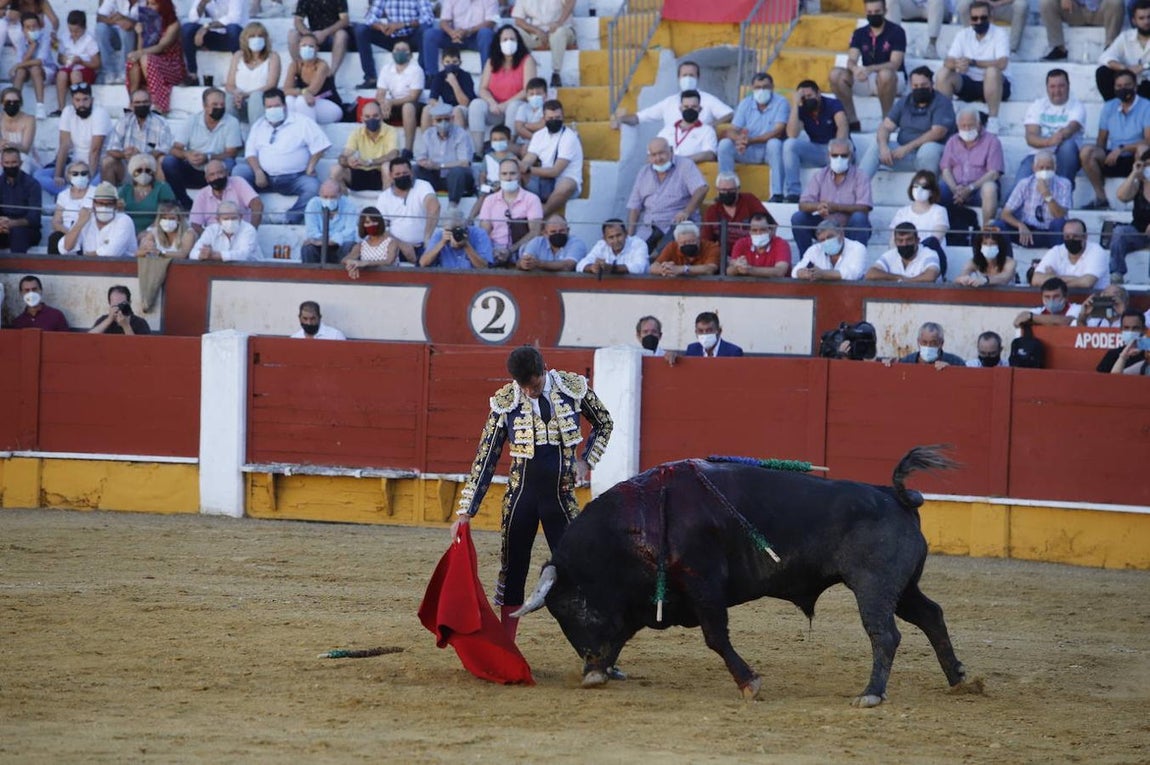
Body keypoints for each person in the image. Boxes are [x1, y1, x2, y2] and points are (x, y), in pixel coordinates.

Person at [450, 345, 613, 645]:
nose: (529, 391)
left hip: (561, 498)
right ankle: (507, 647)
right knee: (512, 571)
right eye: (523, 386)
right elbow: (485, 456)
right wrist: (466, 510)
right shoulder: (506, 402)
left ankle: (595, 649)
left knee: (577, 570)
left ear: (544, 369)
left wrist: (586, 459)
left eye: (534, 385)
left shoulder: (572, 388)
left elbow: (604, 422)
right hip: (520, 499)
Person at [235, 89, 331, 224]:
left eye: (276, 106)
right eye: (269, 107)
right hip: (265, 177)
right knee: (239, 172)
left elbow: (321, 145)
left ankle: (290, 218)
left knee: (313, 187)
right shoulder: (259, 125)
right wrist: (257, 171)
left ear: (284, 105)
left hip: (294, 178)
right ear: (264, 108)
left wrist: (310, 166)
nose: (273, 109)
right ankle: (245, 216)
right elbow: (250, 153)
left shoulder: (302, 122)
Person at [859, 65, 953, 180]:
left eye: (924, 85)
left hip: (933, 156)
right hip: (906, 155)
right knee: (877, 146)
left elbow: (938, 132)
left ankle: (929, 191)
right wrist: (883, 147)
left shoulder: (942, 102)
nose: (919, 88)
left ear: (931, 84)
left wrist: (907, 148)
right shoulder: (905, 102)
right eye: (916, 86)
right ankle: (858, 189)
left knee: (928, 149)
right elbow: (885, 126)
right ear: (911, 86)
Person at [935, 0, 1012, 135]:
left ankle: (993, 120)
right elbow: (948, 61)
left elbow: (1002, 63)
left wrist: (973, 62)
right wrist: (958, 64)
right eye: (975, 18)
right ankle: (945, 119)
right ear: (970, 19)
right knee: (943, 74)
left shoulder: (1000, 33)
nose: (979, 21)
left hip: (997, 85)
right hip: (970, 82)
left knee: (992, 71)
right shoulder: (963, 34)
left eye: (983, 18)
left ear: (990, 17)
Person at [828, 0, 907, 132]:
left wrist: (869, 69)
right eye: (869, 12)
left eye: (877, 12)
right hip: (868, 78)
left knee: (885, 74)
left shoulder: (897, 31)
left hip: (894, 78)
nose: (873, 15)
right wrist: (855, 69)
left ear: (885, 11)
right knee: (835, 74)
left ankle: (887, 120)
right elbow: (851, 59)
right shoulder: (860, 33)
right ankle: (852, 120)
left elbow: (895, 63)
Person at [1080, 69, 1150, 210]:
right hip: (1113, 156)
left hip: (1135, 157)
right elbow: (1101, 141)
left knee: (1143, 150)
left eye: (1127, 85)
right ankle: (1101, 197)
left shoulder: (1147, 106)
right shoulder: (1109, 107)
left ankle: (1139, 196)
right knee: (1087, 151)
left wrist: (1122, 148)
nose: (1122, 89)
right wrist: (1100, 156)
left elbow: (1148, 141)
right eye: (1118, 86)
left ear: (1135, 86)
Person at [162, 88, 244, 208]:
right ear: (205, 106)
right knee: (169, 161)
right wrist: (187, 155)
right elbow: (175, 149)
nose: (219, 107)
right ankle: (184, 202)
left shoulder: (232, 122)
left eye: (222, 104)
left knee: (230, 163)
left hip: (216, 171)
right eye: (214, 104)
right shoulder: (192, 120)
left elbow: (231, 153)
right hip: (192, 168)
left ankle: (224, 203)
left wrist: (209, 157)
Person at [626, 137, 708, 255]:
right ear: (649, 157)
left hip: (677, 224)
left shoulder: (685, 165)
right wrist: (629, 237)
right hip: (649, 227)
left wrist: (686, 212)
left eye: (661, 153)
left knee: (663, 254)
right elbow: (634, 206)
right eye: (654, 155)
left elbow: (702, 189)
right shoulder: (644, 172)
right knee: (632, 254)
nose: (658, 158)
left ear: (671, 150)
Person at [791, 138, 872, 255]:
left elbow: (865, 207)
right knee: (798, 218)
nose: (839, 159)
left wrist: (836, 207)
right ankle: (806, 260)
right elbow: (803, 204)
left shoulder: (860, 176)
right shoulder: (820, 175)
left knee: (859, 218)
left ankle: (857, 259)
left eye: (844, 156)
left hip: (849, 226)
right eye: (835, 155)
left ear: (851, 156)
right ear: (829, 155)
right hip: (824, 225)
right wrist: (818, 206)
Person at [716, 71, 789, 202]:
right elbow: (732, 129)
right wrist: (739, 140)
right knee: (724, 145)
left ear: (772, 87)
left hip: (768, 151)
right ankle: (725, 189)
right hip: (747, 149)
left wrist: (751, 140)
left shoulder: (781, 102)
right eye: (758, 87)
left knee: (775, 143)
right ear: (752, 88)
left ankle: (777, 194)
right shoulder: (745, 103)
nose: (761, 90)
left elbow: (778, 131)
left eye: (765, 87)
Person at [469, 25, 536, 155]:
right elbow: (482, 89)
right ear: (498, 43)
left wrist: (506, 104)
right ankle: (478, 151)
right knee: (476, 105)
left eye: (512, 39)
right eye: (505, 40)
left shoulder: (527, 60)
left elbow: (528, 89)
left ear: (518, 41)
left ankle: (508, 148)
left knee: (514, 106)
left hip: (517, 108)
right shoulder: (491, 62)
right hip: (495, 109)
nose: (509, 42)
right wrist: (492, 102)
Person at [612, 59, 733, 130]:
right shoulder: (669, 102)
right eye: (684, 75)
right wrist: (621, 119)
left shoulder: (707, 99)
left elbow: (730, 114)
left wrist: (709, 127)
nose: (688, 78)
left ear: (698, 78)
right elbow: (639, 117)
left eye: (691, 75)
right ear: (678, 78)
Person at [35, 83, 110, 196]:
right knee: (38, 176)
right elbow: (64, 145)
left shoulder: (100, 113)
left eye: (85, 99)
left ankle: (71, 194)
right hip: (74, 166)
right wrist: (58, 176)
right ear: (73, 101)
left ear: (92, 100)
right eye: (77, 100)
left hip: (96, 168)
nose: (82, 104)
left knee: (93, 186)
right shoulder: (68, 111)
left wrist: (87, 179)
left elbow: (95, 151)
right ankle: (72, 194)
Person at [781, 80, 849, 203]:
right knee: (789, 144)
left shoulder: (833, 104)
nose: (807, 99)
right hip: (817, 150)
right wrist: (795, 105)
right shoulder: (802, 109)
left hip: (839, 149)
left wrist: (835, 149)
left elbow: (842, 127)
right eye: (804, 97)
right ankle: (793, 193)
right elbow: (792, 134)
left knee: (841, 151)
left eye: (809, 96)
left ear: (818, 93)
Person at [1016, 68, 1085, 187]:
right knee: (1016, 189)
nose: (1057, 90)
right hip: (1038, 155)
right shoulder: (1037, 105)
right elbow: (1030, 137)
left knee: (1068, 145)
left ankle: (1063, 189)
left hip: (1063, 157)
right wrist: (1048, 142)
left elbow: (1069, 130)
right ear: (1047, 88)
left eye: (1061, 86)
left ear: (1068, 86)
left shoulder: (1077, 106)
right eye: (1052, 86)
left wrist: (1055, 138)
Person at [939, 107, 1003, 231]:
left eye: (971, 126)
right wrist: (955, 189)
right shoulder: (952, 141)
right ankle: (941, 230)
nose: (967, 129)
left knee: (990, 188)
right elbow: (945, 169)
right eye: (963, 126)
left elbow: (994, 173)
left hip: (979, 190)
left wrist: (970, 188)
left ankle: (986, 231)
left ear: (979, 124)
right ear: (957, 126)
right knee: (938, 188)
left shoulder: (992, 141)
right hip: (956, 188)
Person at [994, 150, 1071, 250]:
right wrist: (1020, 225)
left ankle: (1057, 260)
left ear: (1055, 168)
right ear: (1034, 168)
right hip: (1027, 232)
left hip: (1051, 233)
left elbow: (1060, 215)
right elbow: (1005, 214)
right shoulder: (1025, 183)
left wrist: (1046, 195)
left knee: (1059, 223)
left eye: (1048, 168)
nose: (1045, 171)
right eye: (1041, 168)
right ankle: (1006, 262)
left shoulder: (1064, 184)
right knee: (997, 226)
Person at [352, 0, 433, 89]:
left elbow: (428, 18)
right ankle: (370, 78)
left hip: (412, 37)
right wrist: (381, 27)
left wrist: (404, 24)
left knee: (425, 30)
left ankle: (423, 77)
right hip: (391, 36)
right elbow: (370, 17)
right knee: (361, 30)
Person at [520, 99, 582, 216]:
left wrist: (528, 169)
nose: (554, 121)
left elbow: (555, 171)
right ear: (544, 118)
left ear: (563, 117)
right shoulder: (539, 135)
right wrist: (521, 166)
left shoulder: (570, 137)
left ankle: (541, 214)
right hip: (543, 181)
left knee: (567, 185)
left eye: (557, 118)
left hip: (564, 179)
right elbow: (529, 158)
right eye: (550, 118)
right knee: (514, 172)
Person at [101, 88, 172, 187]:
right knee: (107, 161)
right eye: (137, 102)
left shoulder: (161, 122)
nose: (141, 105)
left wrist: (141, 156)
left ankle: (162, 199)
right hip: (128, 168)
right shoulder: (123, 121)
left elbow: (165, 149)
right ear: (131, 105)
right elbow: (111, 149)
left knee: (162, 160)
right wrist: (124, 154)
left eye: (145, 102)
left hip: (150, 170)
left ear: (150, 103)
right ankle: (109, 198)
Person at [476, 157, 541, 265]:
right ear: (499, 176)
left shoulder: (532, 199)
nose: (508, 178)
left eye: (512, 173)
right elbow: (484, 232)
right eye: (504, 174)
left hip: (521, 249)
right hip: (495, 249)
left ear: (519, 175)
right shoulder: (489, 200)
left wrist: (510, 251)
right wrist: (494, 251)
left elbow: (535, 232)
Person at [374, 156, 440, 262]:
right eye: (398, 174)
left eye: (405, 173)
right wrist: (401, 244)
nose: (402, 176)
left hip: (425, 246)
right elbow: (381, 228)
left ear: (411, 173)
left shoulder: (422, 185)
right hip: (396, 248)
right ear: (391, 176)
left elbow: (434, 206)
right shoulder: (384, 197)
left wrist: (427, 238)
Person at [414, 102, 476, 213]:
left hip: (457, 179)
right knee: (416, 169)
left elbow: (465, 162)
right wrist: (424, 163)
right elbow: (420, 158)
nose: (443, 123)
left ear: (452, 119)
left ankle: (452, 207)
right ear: (433, 122)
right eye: (439, 120)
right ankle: (419, 203)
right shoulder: (428, 135)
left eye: (446, 119)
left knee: (458, 171)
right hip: (435, 176)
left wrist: (440, 166)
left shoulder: (461, 134)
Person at [127, 0, 186, 115]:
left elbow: (161, 47)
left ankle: (158, 104)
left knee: (146, 59)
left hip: (172, 67)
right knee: (132, 61)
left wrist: (140, 53)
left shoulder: (173, 24)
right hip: (151, 64)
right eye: (148, 3)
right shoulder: (146, 22)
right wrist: (140, 34)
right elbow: (140, 50)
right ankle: (133, 100)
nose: (149, 7)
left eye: (153, 4)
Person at [421, 0, 497, 78]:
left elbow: (491, 22)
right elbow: (443, 21)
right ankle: (432, 77)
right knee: (430, 34)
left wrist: (469, 31)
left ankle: (487, 77)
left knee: (486, 33)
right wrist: (452, 33)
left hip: (476, 38)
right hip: (455, 37)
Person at [333, 100, 397, 191]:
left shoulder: (390, 131)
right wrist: (348, 161)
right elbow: (343, 156)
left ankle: (386, 203)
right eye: (367, 116)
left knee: (386, 166)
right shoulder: (357, 132)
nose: (371, 119)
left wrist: (369, 162)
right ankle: (344, 203)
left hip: (380, 174)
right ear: (362, 118)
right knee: (336, 169)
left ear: (382, 116)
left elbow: (393, 154)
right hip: (360, 173)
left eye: (375, 116)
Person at [701, 171, 768, 259]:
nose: (727, 193)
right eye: (723, 190)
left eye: (731, 190)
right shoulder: (712, 211)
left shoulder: (749, 200)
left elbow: (770, 225)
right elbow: (706, 241)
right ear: (717, 190)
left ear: (738, 189)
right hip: (724, 258)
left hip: (751, 254)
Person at [224, 21, 281, 124]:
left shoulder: (273, 57)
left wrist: (247, 95)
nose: (256, 39)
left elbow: (272, 84)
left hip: (261, 103)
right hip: (240, 101)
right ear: (246, 39)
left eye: (260, 36)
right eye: (252, 36)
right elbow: (230, 84)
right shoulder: (238, 56)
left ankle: (256, 134)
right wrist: (237, 94)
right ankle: (231, 134)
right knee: (229, 97)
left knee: (255, 97)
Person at [374, 38, 424, 153]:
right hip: (393, 104)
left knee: (407, 107)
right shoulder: (386, 69)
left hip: (414, 106)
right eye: (397, 49)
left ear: (411, 55)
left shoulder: (416, 70)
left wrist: (390, 102)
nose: (400, 52)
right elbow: (380, 92)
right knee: (373, 108)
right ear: (392, 53)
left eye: (404, 50)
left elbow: (413, 97)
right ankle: (377, 148)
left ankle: (408, 150)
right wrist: (383, 102)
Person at [891, 170, 949, 267]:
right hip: (904, 258)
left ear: (932, 191)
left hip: (931, 260)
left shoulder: (939, 211)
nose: (919, 189)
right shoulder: (902, 212)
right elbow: (893, 240)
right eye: (916, 185)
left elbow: (936, 240)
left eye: (924, 187)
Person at [62, 181, 137, 257]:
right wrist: (79, 223)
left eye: (109, 204)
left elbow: (111, 253)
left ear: (115, 205)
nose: (104, 207)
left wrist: (87, 256)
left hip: (119, 267)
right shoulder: (86, 219)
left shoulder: (124, 220)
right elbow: (66, 248)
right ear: (93, 204)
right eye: (100, 203)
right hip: (90, 266)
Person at [284, 32, 344, 124]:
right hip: (308, 104)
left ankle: (310, 135)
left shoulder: (322, 65)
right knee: (289, 100)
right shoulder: (294, 65)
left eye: (311, 46)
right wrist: (302, 92)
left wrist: (301, 92)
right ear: (299, 48)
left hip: (330, 105)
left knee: (301, 101)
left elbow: (312, 91)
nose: (307, 48)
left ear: (317, 49)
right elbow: (286, 90)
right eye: (304, 45)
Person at [1031, 219, 1110, 289]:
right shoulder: (1057, 251)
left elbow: (1086, 283)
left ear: (1085, 237)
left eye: (1075, 236)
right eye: (1067, 237)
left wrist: (1053, 278)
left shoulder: (1097, 252)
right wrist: (1077, 280)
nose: (1071, 239)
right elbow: (1035, 280)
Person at [180, 0, 245, 84]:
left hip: (237, 37)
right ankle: (193, 75)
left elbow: (233, 19)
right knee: (187, 28)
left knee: (232, 28)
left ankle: (239, 74)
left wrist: (206, 27)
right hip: (216, 34)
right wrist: (202, 3)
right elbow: (193, 18)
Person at [512, 0, 574, 88]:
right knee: (514, 32)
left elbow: (571, 2)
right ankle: (519, 71)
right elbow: (518, 20)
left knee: (559, 33)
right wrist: (536, 31)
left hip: (560, 29)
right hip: (537, 35)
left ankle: (556, 73)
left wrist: (559, 23)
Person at [1109, 148, 1150, 282]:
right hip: (1138, 231)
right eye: (1148, 164)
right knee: (1120, 232)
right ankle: (1117, 273)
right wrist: (1134, 173)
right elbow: (1121, 196)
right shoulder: (1138, 185)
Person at [189, 158, 263, 230]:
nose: (216, 177)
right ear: (207, 178)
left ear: (227, 173)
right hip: (214, 237)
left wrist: (252, 229)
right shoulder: (202, 195)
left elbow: (257, 204)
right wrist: (207, 238)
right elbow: (195, 223)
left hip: (240, 233)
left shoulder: (238, 182)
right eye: (212, 174)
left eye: (220, 173)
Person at [52, 10, 101, 118]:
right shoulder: (65, 37)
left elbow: (97, 63)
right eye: (71, 30)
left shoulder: (89, 40)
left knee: (75, 74)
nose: (74, 34)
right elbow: (59, 57)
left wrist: (80, 61)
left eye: (77, 31)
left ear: (84, 27)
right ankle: (61, 108)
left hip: (85, 70)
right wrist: (63, 59)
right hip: (69, 68)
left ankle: (78, 106)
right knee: (61, 74)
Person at [1098, 0, 1150, 99]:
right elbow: (1105, 57)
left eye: (1149, 17)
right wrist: (1126, 69)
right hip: (1129, 83)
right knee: (1103, 72)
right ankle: (1114, 107)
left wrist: (1144, 66)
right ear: (1134, 21)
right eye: (1142, 18)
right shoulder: (1126, 37)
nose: (1146, 22)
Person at [1040, 0, 1123, 61]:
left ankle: (1110, 48)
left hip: (1100, 10)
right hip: (1073, 10)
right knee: (1047, 3)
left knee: (1115, 3)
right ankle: (1059, 48)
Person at [791, 218, 868, 281]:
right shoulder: (815, 250)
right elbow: (795, 271)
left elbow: (854, 274)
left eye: (830, 237)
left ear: (841, 234)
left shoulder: (857, 248)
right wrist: (802, 273)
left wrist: (823, 274)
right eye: (822, 240)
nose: (826, 242)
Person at [117, 154, 176, 235]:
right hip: (126, 232)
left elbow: (168, 213)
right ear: (132, 172)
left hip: (155, 232)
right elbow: (117, 214)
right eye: (139, 170)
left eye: (148, 170)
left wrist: (148, 232)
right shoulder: (124, 190)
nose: (143, 173)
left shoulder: (162, 188)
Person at [302, 180, 359, 263]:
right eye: (325, 197)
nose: (329, 200)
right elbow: (312, 233)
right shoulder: (313, 204)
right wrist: (330, 240)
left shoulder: (349, 205)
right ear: (319, 194)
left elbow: (350, 234)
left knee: (349, 245)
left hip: (339, 246)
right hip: (320, 246)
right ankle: (311, 275)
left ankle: (343, 275)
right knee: (308, 248)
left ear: (340, 195)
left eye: (333, 197)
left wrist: (326, 241)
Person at [865, 222, 942, 282]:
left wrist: (904, 282)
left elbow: (930, 276)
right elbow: (870, 274)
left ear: (917, 240)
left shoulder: (929, 254)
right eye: (900, 241)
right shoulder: (891, 254)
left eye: (909, 240)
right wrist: (899, 278)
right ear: (895, 242)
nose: (904, 244)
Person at [288, 0, 350, 75]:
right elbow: (297, 21)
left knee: (341, 34)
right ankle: (300, 72)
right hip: (313, 35)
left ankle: (331, 75)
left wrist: (324, 33)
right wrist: (309, 35)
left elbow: (345, 21)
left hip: (332, 35)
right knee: (292, 35)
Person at [657, 90, 718, 163]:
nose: (690, 109)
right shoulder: (666, 130)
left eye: (694, 107)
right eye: (686, 107)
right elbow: (651, 155)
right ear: (680, 109)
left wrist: (681, 162)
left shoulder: (707, 131)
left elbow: (710, 154)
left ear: (700, 109)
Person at [422, 46, 475, 129]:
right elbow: (432, 99)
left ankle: (459, 141)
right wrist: (443, 110)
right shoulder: (439, 76)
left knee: (456, 111)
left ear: (460, 62)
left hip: (462, 109)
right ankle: (427, 140)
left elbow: (465, 103)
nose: (451, 65)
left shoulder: (466, 76)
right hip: (445, 108)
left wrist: (454, 83)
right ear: (442, 62)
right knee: (426, 110)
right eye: (447, 62)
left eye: (454, 62)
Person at [0, 146, 41, 252]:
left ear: (21, 163)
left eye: (14, 162)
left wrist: (12, 223)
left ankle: (18, 268)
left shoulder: (32, 184)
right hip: (3, 228)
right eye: (7, 163)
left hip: (27, 230)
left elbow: (34, 218)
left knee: (18, 232)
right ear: (1, 164)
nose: (10, 165)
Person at [49, 161, 94, 254]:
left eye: (83, 173)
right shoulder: (63, 195)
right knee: (55, 237)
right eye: (75, 174)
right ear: (68, 176)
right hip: (66, 232)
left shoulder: (96, 192)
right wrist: (70, 233)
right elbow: (56, 221)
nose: (80, 176)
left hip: (88, 232)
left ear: (89, 175)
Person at [575, 218, 649, 275]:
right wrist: (592, 267)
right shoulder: (601, 245)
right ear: (604, 239)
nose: (616, 240)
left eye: (619, 235)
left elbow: (639, 268)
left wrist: (612, 268)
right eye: (611, 237)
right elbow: (580, 265)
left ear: (626, 234)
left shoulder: (638, 243)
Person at [726, 212, 790, 278]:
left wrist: (750, 270)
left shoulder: (781, 244)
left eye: (763, 230)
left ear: (771, 230)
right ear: (749, 231)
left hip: (776, 287)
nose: (758, 233)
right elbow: (729, 271)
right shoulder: (741, 243)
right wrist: (738, 268)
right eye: (754, 230)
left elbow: (780, 271)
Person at [10, 18, 51, 121]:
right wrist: (32, 46)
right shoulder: (21, 40)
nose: (32, 29)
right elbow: (22, 61)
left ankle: (40, 106)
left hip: (46, 70)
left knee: (35, 69)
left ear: (39, 27)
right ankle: (14, 103)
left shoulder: (45, 37)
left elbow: (40, 61)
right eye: (28, 27)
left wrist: (17, 65)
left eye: (34, 26)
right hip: (28, 71)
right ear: (23, 30)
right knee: (20, 71)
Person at [191, 200, 260, 260]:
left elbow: (244, 255)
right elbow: (193, 253)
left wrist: (215, 255)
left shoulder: (248, 229)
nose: (230, 222)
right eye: (226, 219)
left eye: (234, 218)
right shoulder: (211, 230)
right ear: (218, 220)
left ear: (241, 217)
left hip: (250, 271)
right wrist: (202, 255)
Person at [419, 213, 494, 268]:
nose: (455, 235)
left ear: (465, 227)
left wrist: (466, 246)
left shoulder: (479, 234)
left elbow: (484, 267)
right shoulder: (439, 235)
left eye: (457, 230)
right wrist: (441, 243)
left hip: (473, 279)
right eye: (450, 231)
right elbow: (423, 263)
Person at [954, 0, 1027, 56]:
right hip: (981, 5)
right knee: (963, 4)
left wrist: (998, 4)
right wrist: (986, 2)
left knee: (1021, 5)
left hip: (1004, 6)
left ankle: (1012, 50)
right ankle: (971, 47)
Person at [343, 207, 399, 276]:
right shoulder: (361, 245)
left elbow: (389, 261)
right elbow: (345, 259)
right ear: (362, 225)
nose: (371, 225)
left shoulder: (391, 242)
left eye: (374, 221)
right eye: (367, 222)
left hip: (390, 280)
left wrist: (366, 263)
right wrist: (352, 263)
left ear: (380, 222)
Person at [651, 221, 720, 277]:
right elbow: (653, 267)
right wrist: (665, 270)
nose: (687, 244)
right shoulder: (672, 246)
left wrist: (682, 269)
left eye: (691, 241)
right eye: (683, 243)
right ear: (677, 242)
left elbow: (710, 269)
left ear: (698, 239)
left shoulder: (711, 247)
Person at [516, 214, 583, 272]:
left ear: (568, 231)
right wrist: (524, 263)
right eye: (553, 232)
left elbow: (568, 266)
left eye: (561, 231)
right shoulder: (537, 242)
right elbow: (520, 262)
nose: (557, 234)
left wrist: (539, 264)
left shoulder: (576, 243)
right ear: (545, 233)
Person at [96, 0, 138, 86]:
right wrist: (117, 21)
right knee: (100, 28)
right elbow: (99, 17)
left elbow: (147, 22)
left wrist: (127, 20)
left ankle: (124, 72)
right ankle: (109, 72)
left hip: (134, 37)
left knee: (126, 29)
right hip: (115, 34)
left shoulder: (145, 2)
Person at [1013, 276, 1081, 327]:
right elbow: (1017, 322)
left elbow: (1066, 321)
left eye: (1056, 296)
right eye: (1047, 297)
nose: (1051, 300)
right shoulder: (1038, 311)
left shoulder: (1077, 309)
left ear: (1065, 296)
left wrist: (1032, 318)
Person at [1096, 309, 1149, 373]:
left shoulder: (1147, 353)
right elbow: (1099, 380)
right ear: (1121, 330)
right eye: (1126, 328)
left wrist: (1144, 345)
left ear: (1144, 330)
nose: (1130, 331)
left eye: (1135, 328)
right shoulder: (1112, 355)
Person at [892, 322, 963, 367]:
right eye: (924, 342)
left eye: (933, 343)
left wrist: (951, 371)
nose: (928, 346)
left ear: (941, 343)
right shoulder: (907, 361)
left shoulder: (956, 362)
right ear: (918, 342)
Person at [512, 76, 548, 152]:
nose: (535, 96)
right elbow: (519, 128)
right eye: (531, 94)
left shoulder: (547, 108)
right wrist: (533, 138)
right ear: (527, 95)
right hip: (524, 141)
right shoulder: (523, 108)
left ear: (545, 95)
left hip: (543, 141)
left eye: (538, 94)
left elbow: (541, 125)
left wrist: (525, 125)